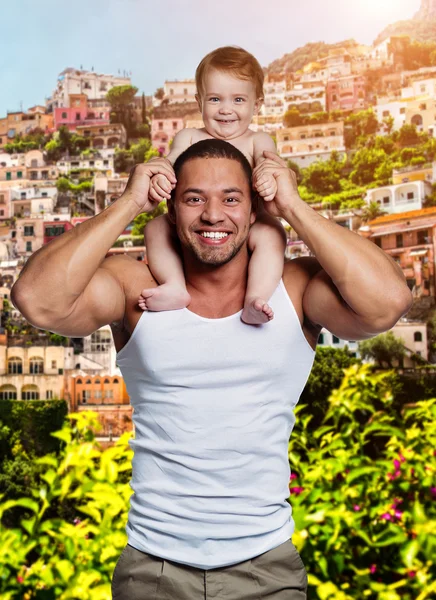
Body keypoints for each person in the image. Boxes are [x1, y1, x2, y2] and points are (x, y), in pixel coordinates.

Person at [11, 139, 412, 600]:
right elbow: (36, 299)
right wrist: (129, 202)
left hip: (267, 569)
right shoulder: (134, 286)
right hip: (152, 568)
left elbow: (388, 303)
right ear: (172, 208)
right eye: (195, 198)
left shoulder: (294, 288)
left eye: (231, 198)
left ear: (254, 209)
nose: (213, 215)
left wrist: (292, 205)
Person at [139, 46, 287, 325]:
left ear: (257, 105)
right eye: (215, 99)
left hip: (249, 220)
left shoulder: (259, 141)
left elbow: (272, 166)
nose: (226, 109)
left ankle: (256, 298)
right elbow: (169, 162)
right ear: (199, 102)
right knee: (155, 227)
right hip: (195, 221)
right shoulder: (189, 136)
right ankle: (174, 286)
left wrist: (268, 180)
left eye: (239, 99)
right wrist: (159, 177)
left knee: (273, 234)